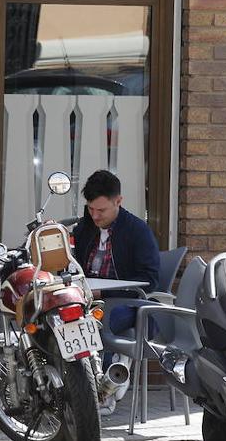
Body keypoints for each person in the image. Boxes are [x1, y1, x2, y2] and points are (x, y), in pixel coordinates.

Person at [72, 170, 160, 414]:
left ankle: (104, 390)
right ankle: (74, 388)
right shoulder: (85, 227)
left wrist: (104, 293)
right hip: (88, 300)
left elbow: (149, 280)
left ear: (118, 201)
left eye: (101, 210)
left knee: (94, 324)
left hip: (127, 303)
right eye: (91, 209)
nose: (95, 215)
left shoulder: (137, 231)